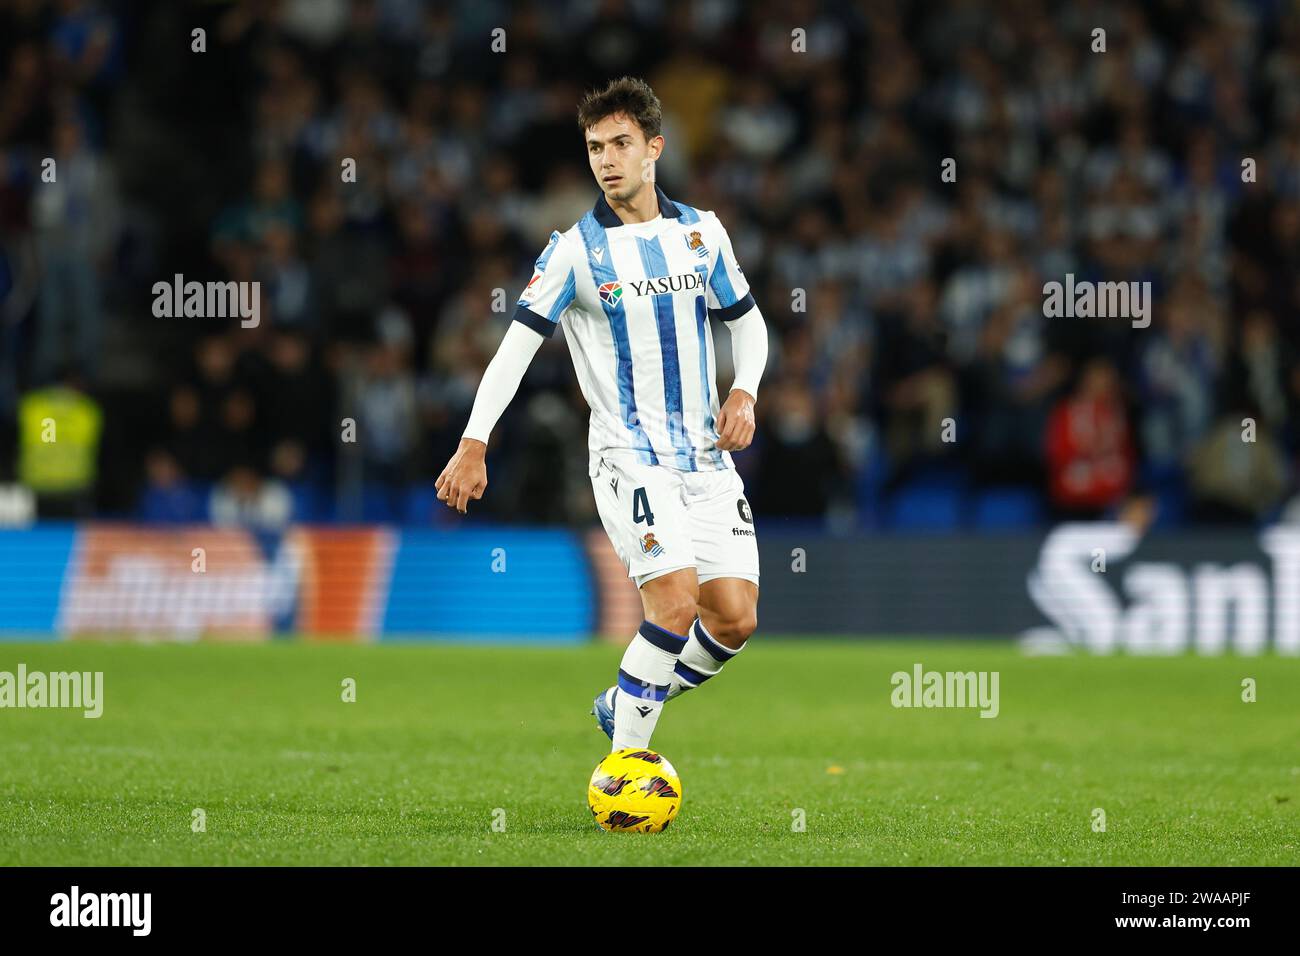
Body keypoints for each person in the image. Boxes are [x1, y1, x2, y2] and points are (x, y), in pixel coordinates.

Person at [435, 77, 769, 752]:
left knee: (733, 620)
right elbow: (514, 351)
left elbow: (749, 322)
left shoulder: (702, 234)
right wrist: (474, 442)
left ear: (654, 149)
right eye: (595, 147)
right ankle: (627, 768)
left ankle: (627, 698)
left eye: (621, 143)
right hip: (628, 456)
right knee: (673, 602)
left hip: (706, 458)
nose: (607, 159)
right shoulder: (574, 251)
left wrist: (746, 391)